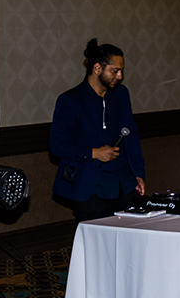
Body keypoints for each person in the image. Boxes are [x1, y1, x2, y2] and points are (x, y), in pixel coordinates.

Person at [49, 38, 146, 221]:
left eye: (121, 71)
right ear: (97, 68)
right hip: (90, 187)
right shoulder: (70, 100)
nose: (120, 76)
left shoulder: (121, 95)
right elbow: (57, 145)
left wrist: (139, 174)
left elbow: (132, 136)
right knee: (98, 242)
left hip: (124, 183)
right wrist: (93, 153)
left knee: (131, 238)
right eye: (115, 71)